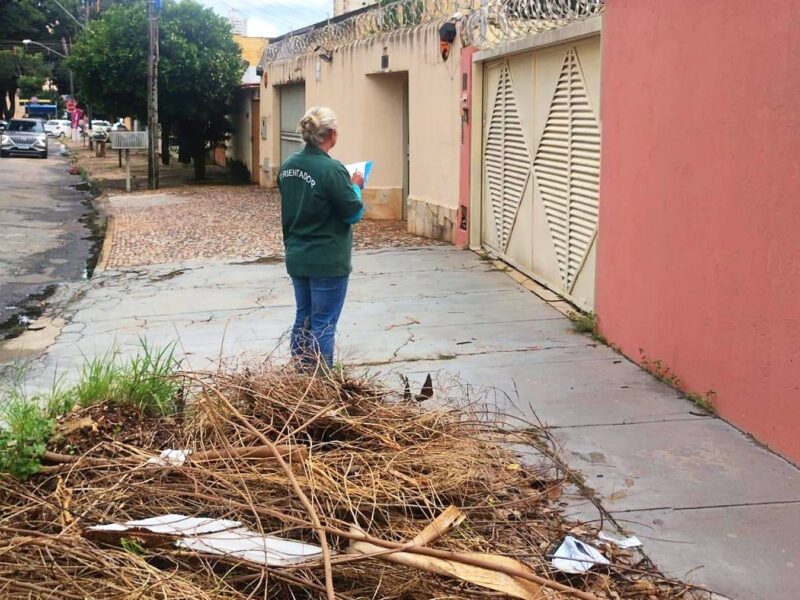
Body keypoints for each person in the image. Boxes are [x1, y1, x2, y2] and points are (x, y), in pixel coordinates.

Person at [278, 106, 365, 369]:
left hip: (297, 255)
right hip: (327, 259)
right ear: (332, 134)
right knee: (324, 323)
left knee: (303, 318)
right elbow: (352, 213)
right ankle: (320, 385)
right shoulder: (332, 170)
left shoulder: (288, 167)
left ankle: (301, 376)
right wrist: (356, 187)